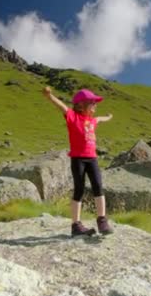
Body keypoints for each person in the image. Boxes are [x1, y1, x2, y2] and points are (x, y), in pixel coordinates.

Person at [42, 86, 114, 236]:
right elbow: (61, 106)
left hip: (92, 159)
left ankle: (102, 220)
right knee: (79, 189)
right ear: (81, 105)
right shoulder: (73, 117)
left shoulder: (92, 121)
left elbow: (100, 119)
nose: (95, 105)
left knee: (98, 186)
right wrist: (49, 97)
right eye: (92, 103)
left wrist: (109, 117)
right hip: (78, 159)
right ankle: (76, 226)